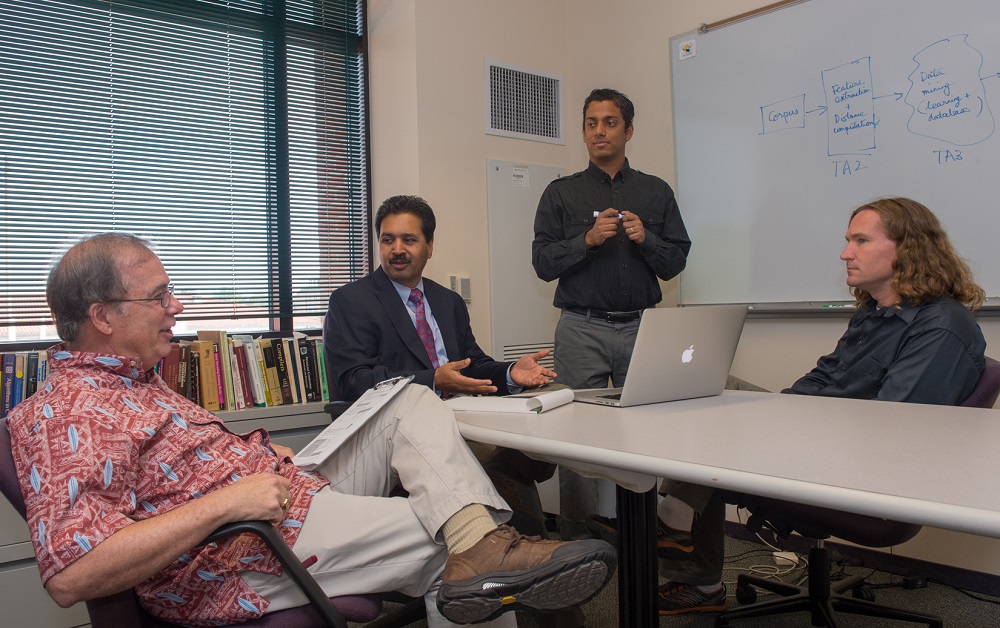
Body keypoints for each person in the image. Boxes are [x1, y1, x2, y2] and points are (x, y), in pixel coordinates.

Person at [7, 232, 616, 628]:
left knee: (406, 395)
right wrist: (228, 501)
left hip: (281, 491)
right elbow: (72, 576)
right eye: (160, 296)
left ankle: (481, 542)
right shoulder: (68, 414)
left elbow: (171, 469)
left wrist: (250, 455)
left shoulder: (136, 379)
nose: (178, 306)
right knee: (450, 533)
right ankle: (480, 548)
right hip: (241, 545)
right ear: (103, 318)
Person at [655, 197, 987, 615]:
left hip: (861, 462)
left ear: (908, 248)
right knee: (713, 387)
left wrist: (784, 425)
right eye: (848, 240)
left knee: (722, 418)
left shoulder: (942, 326)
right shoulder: (875, 312)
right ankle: (683, 538)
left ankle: (673, 519)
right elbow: (824, 376)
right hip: (825, 433)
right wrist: (778, 412)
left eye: (861, 241)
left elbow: (894, 426)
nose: (845, 252)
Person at [531, 88, 691, 539]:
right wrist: (586, 241)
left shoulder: (655, 192)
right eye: (591, 123)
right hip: (581, 328)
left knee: (647, 430)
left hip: (643, 327)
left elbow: (675, 262)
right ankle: (576, 539)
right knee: (575, 437)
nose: (599, 130)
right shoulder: (561, 194)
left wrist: (648, 240)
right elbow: (542, 264)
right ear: (583, 131)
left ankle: (643, 533)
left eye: (610, 122)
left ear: (629, 130)